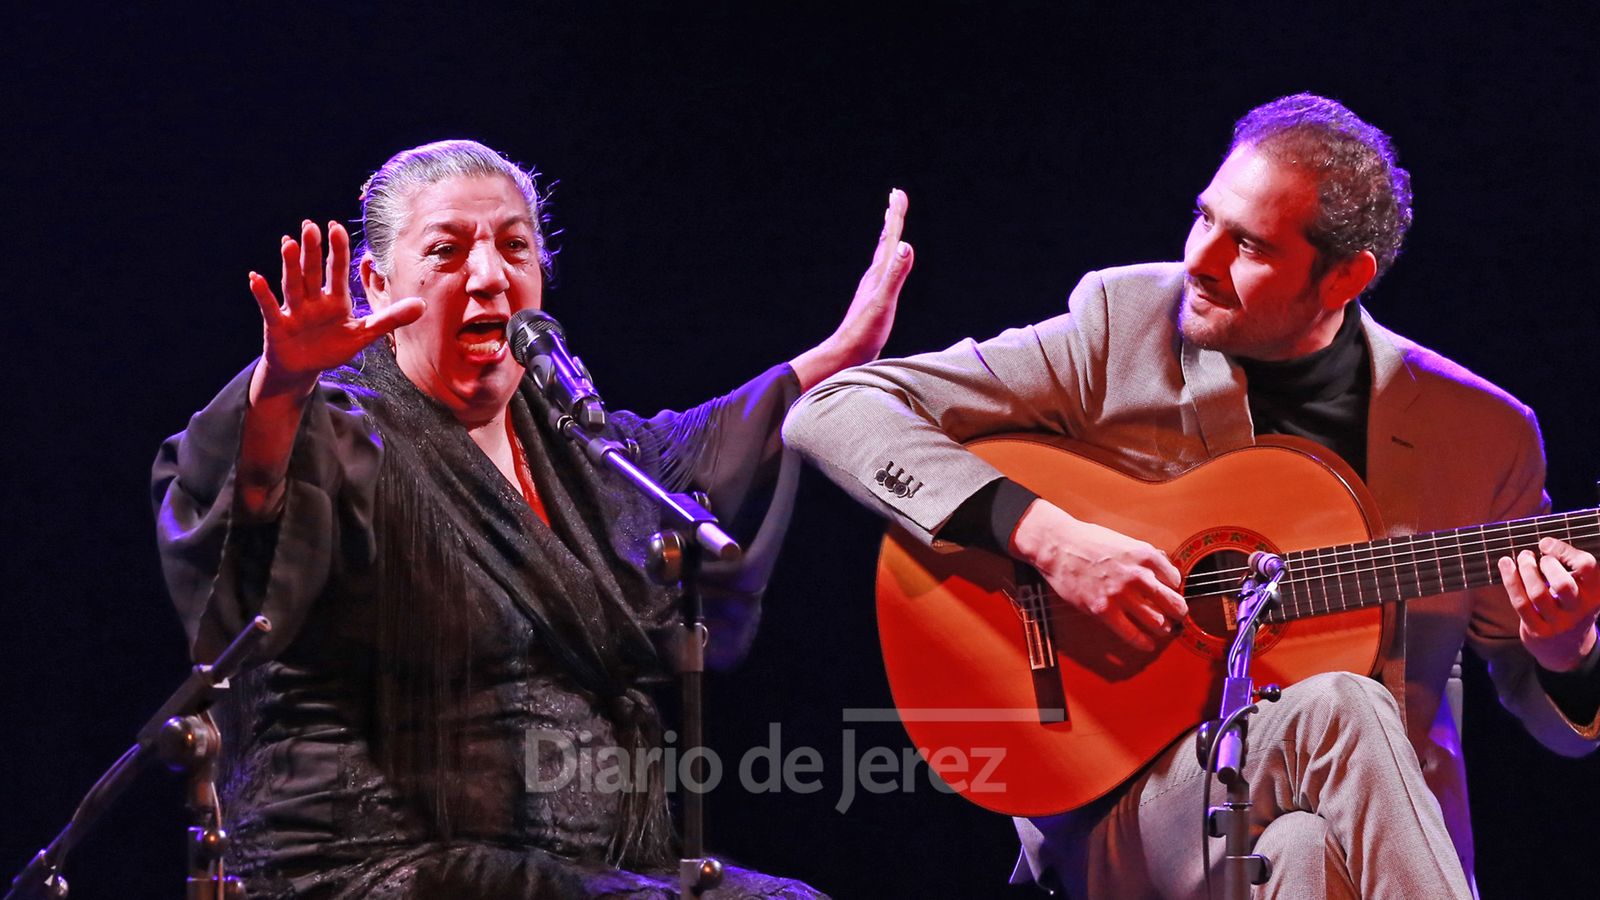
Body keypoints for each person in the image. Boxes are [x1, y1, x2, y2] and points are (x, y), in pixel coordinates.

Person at [782, 94, 1599, 898]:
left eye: (1248, 244)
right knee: (1342, 705)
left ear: (1345, 277)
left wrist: (1570, 653)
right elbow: (836, 407)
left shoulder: (1480, 431)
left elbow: (1552, 717)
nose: (1201, 259)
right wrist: (1046, 536)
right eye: (1205, 217)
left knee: (1305, 850)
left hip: (1348, 837)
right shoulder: (1125, 325)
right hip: (1128, 804)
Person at [152, 139, 913, 898]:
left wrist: (844, 352)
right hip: (382, 866)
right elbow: (249, 513)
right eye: (447, 250)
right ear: (378, 283)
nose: (489, 274)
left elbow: (705, 445)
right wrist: (281, 386)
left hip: (581, 871)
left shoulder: (571, 443)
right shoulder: (340, 427)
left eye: (515, 246)